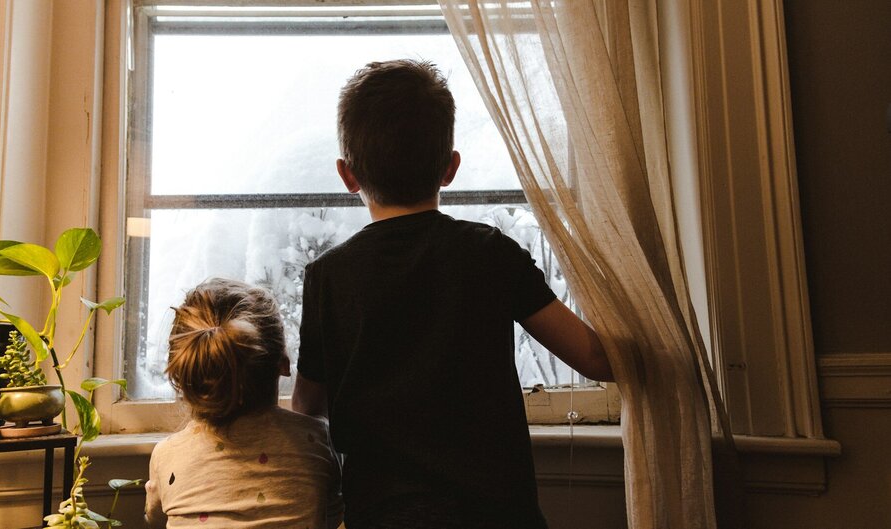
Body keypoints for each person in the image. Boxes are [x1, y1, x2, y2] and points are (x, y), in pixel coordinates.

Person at [292, 59, 614, 529]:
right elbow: (595, 358)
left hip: (384, 516)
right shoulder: (490, 252)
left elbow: (308, 407)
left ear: (347, 175)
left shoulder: (328, 276)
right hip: (500, 515)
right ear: (450, 168)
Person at [145, 278, 343, 529]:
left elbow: (154, 520)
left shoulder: (166, 456)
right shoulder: (317, 440)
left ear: (184, 376)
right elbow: (331, 516)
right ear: (283, 362)